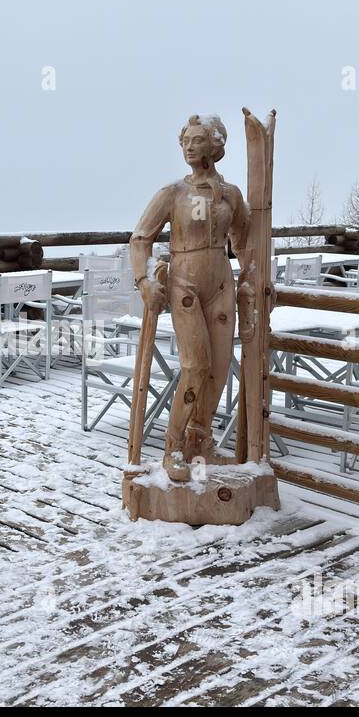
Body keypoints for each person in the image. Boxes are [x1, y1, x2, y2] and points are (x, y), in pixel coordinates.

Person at [129, 114, 257, 481]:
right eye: (186, 140)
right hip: (185, 284)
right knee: (195, 366)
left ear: (215, 147)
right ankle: (173, 448)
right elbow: (141, 238)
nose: (189, 146)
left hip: (222, 285)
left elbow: (244, 240)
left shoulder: (230, 194)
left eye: (198, 140)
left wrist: (252, 274)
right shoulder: (174, 194)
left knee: (217, 370)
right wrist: (144, 279)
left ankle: (200, 443)